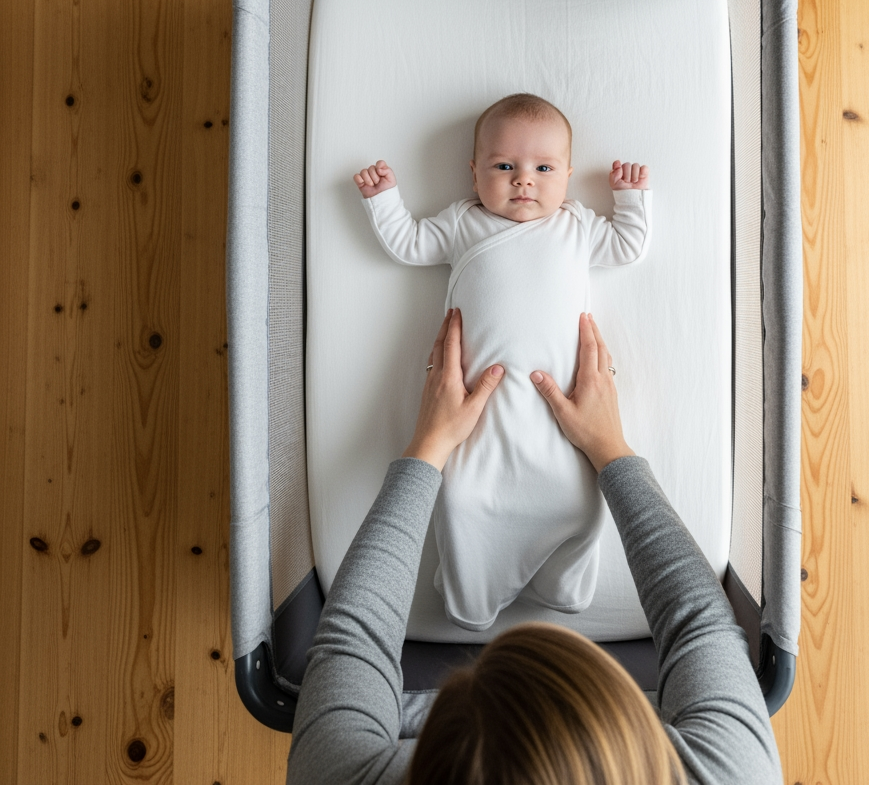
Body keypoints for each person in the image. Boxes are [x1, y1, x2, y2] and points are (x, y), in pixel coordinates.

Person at [287, 309, 783, 785]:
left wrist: (429, 447)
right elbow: (701, 623)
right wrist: (611, 449)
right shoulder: (731, 772)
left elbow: (352, 638)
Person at [352, 93, 652, 631]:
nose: (523, 181)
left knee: (578, 500)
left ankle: (565, 584)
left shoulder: (577, 227)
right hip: (482, 415)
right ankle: (472, 598)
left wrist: (629, 198)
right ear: (474, 173)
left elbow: (627, 245)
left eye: (543, 168)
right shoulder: (463, 223)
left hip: (559, 412)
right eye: (504, 166)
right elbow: (410, 243)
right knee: (463, 498)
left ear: (567, 173)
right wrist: (385, 200)